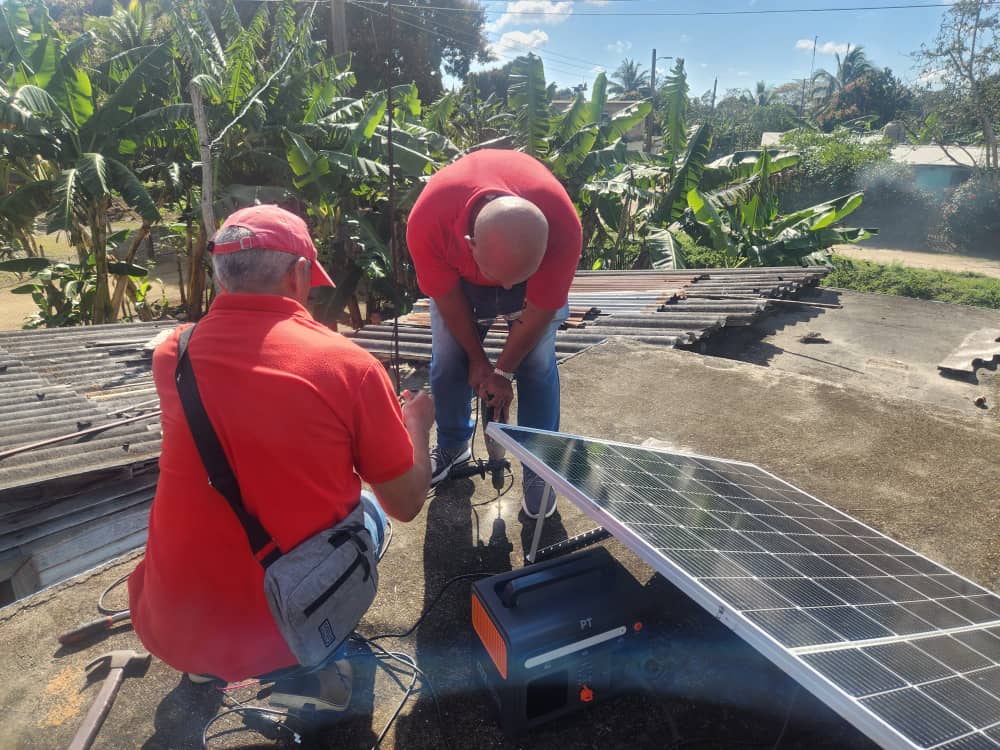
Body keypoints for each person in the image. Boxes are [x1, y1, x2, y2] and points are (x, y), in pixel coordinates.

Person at [128, 205, 434, 712]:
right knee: (374, 514)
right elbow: (406, 501)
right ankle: (313, 663)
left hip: (170, 625)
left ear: (222, 274)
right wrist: (416, 425)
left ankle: (205, 668)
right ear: (298, 274)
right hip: (277, 633)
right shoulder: (348, 364)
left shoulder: (173, 354)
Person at [406, 149, 582, 519]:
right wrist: (478, 361)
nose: (505, 288)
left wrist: (502, 372)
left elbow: (541, 309)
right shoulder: (429, 220)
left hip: (532, 283)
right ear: (470, 243)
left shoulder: (562, 224)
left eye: (513, 281)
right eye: (500, 278)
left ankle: (539, 468)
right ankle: (454, 446)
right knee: (449, 362)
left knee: (536, 365)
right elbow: (448, 299)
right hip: (461, 283)